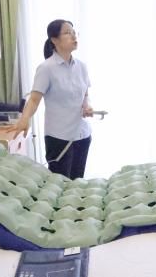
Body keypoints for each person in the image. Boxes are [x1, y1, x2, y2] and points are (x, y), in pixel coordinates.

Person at [7, 19, 93, 179]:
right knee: (59, 186)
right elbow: (34, 99)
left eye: (74, 32)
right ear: (54, 40)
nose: (74, 36)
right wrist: (24, 119)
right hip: (59, 138)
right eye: (67, 33)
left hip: (82, 135)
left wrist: (86, 106)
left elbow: (85, 93)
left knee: (78, 185)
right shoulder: (46, 68)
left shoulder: (81, 66)